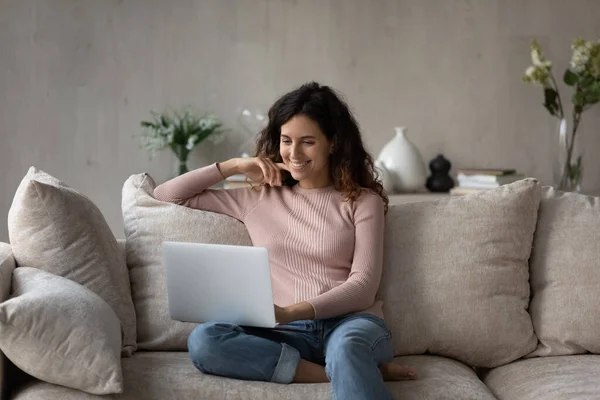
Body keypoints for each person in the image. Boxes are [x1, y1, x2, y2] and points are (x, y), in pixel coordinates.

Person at [153, 82, 417, 399]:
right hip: (286, 333)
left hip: (350, 324)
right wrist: (234, 165)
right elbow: (166, 196)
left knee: (347, 348)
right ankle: (345, 370)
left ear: (333, 143)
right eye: (286, 140)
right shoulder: (258, 197)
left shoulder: (362, 201)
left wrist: (293, 311)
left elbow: (363, 287)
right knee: (205, 340)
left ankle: (349, 362)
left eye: (308, 142)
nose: (294, 153)